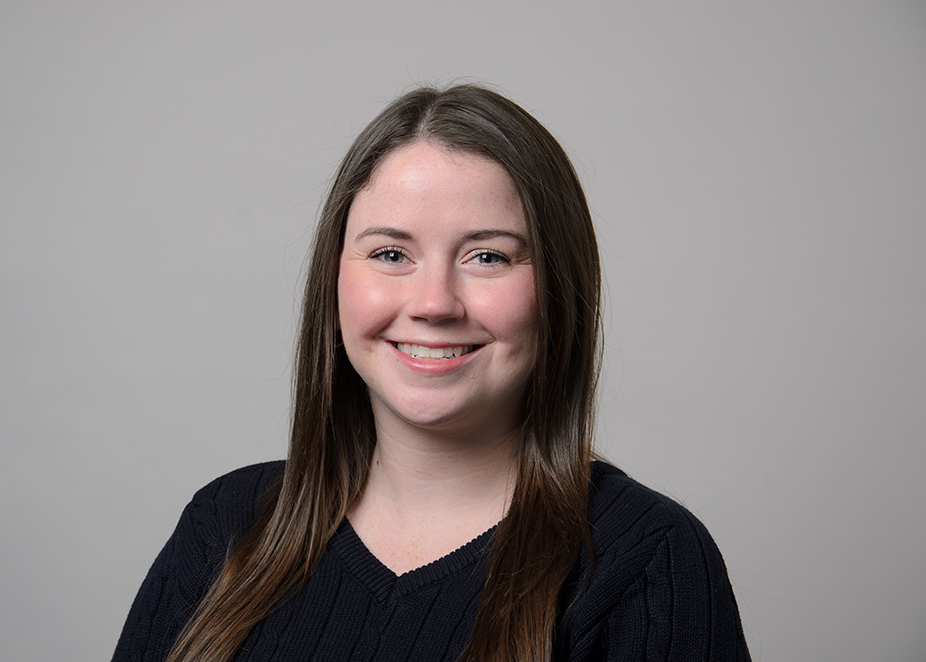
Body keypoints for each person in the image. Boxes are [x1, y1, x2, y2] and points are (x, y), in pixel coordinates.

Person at [111, 84, 751, 662]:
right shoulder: (225, 526)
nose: (434, 303)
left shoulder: (647, 562)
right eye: (391, 253)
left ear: (558, 288)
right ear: (334, 281)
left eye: (487, 256)